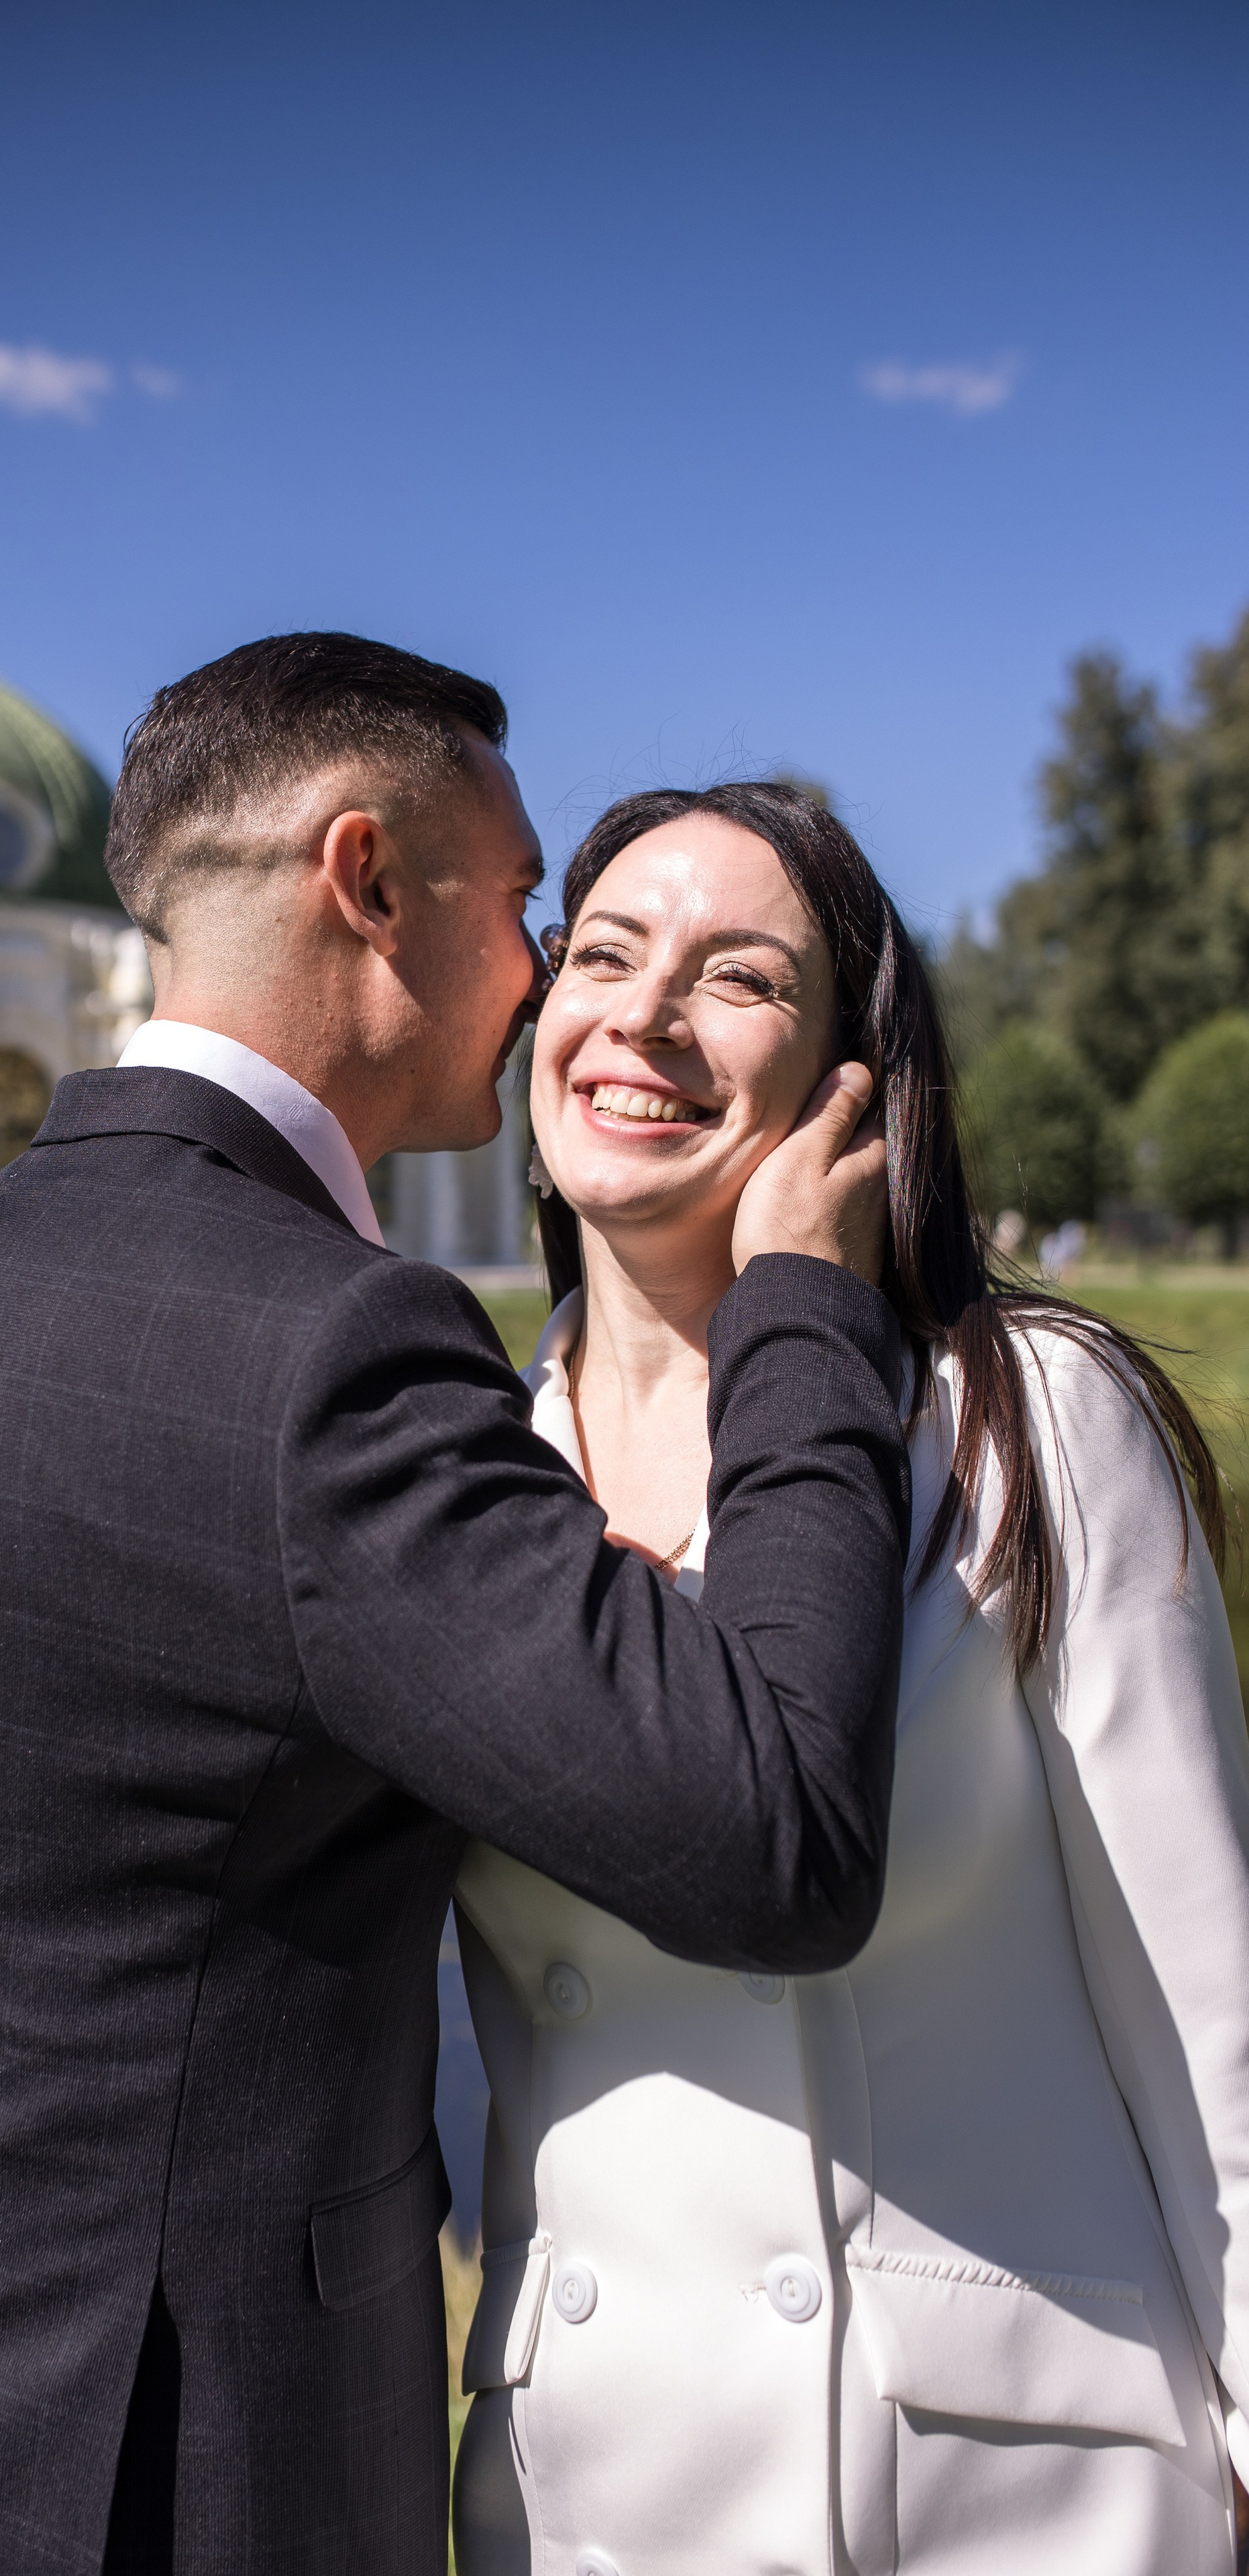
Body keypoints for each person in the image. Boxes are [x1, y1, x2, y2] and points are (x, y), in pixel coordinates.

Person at [0, 638, 908, 2576]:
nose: (542, 970)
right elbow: (772, 1835)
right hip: (167, 2462)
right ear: (368, 883)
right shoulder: (338, 1347)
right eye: (523, 901)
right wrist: (803, 1309)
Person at [445, 784, 1249, 2576]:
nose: (647, 1015)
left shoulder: (1025, 1424)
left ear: (852, 1086)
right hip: (594, 2500)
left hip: (1025, 2496)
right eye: (604, 956)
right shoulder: (454, 1481)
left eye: (739, 978)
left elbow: (1215, 2014)